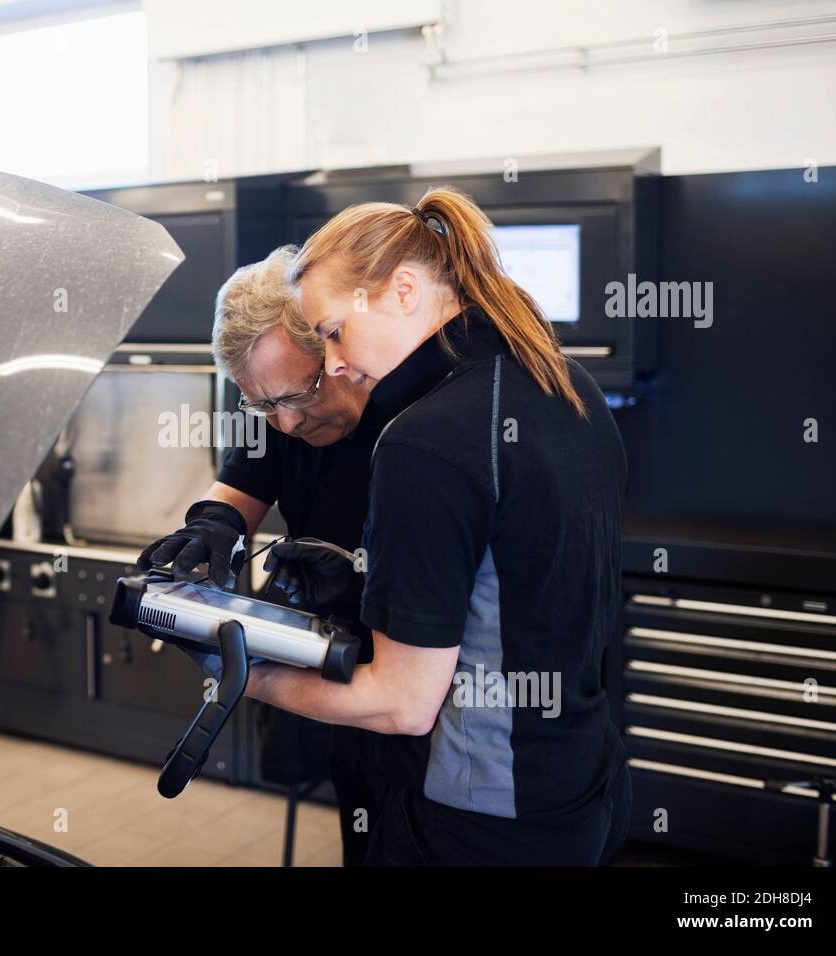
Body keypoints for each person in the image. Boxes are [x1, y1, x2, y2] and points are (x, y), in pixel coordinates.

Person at [246, 186, 631, 866]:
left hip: (477, 816)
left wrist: (249, 674)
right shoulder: (566, 381)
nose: (332, 361)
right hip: (581, 783)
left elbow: (401, 705)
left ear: (402, 290)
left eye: (333, 329)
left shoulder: (422, 441)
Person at [137, 245, 387, 865]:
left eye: (293, 397)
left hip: (420, 656)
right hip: (333, 650)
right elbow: (237, 491)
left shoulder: (412, 422)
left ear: (336, 349)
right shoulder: (278, 409)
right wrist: (211, 529)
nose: (283, 426)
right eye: (260, 404)